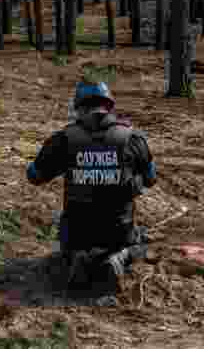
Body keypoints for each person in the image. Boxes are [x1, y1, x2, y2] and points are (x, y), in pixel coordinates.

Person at [26, 81, 156, 281]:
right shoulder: (133, 138)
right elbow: (151, 179)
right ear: (109, 106)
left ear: (78, 108)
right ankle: (118, 258)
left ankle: (77, 257)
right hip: (119, 232)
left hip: (77, 234)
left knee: (67, 235)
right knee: (142, 240)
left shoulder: (63, 139)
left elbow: (34, 177)